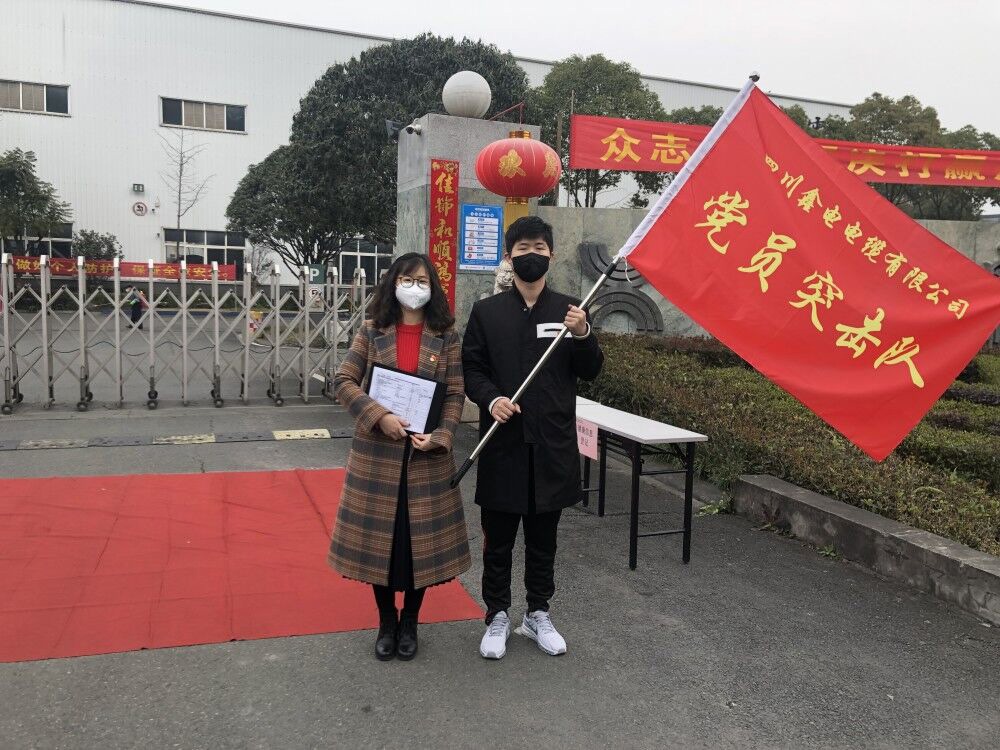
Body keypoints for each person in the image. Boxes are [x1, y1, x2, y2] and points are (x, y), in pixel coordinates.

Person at [462, 216, 604, 660]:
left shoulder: (570, 311)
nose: (532, 255)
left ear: (551, 255)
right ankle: (497, 615)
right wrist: (491, 399)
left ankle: (538, 613)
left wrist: (583, 334)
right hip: (502, 445)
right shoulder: (488, 313)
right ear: (509, 256)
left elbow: (591, 370)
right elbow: (472, 369)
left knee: (544, 541)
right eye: (523, 248)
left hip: (551, 447)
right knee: (499, 540)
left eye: (540, 248)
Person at [328, 252, 471, 661]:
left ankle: (410, 620)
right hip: (378, 455)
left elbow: (455, 392)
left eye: (422, 281)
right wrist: (379, 416)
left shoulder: (447, 336)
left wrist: (443, 436)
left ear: (433, 287)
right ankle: (386, 621)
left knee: (417, 547)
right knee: (381, 546)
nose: (414, 288)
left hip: (425, 456)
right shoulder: (373, 330)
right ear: (393, 283)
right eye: (406, 280)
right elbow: (343, 380)